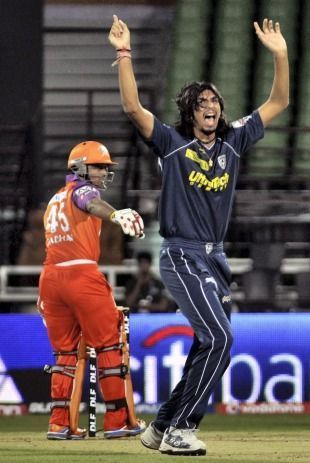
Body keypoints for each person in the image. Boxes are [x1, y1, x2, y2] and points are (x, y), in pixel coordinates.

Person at [109, 16, 289, 455]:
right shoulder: (171, 142)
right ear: (191, 111)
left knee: (215, 347)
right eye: (203, 101)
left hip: (215, 258)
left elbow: (280, 101)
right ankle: (180, 430)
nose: (212, 106)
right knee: (220, 339)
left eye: (216, 101)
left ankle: (161, 425)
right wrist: (124, 53)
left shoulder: (234, 141)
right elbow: (133, 109)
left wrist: (280, 55)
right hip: (182, 254)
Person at [38, 140, 146, 440]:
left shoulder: (53, 200)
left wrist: (45, 290)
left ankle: (60, 424)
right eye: (98, 166)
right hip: (81, 274)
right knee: (110, 344)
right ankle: (118, 421)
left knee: (65, 353)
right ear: (79, 168)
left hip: (50, 278)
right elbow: (90, 201)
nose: (102, 172)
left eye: (105, 168)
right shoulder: (81, 190)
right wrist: (116, 215)